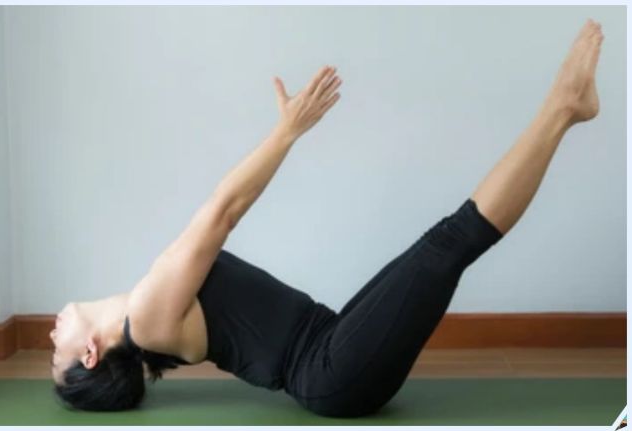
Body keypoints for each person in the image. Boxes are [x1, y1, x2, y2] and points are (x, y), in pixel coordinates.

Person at [50, 19, 604, 417]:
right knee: (451, 241)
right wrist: (286, 133)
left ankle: (565, 107)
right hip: (331, 373)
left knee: (445, 242)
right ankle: (563, 106)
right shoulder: (147, 319)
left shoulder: (148, 312)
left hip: (332, 341)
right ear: (90, 355)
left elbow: (219, 213)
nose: (52, 335)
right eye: (57, 352)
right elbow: (221, 212)